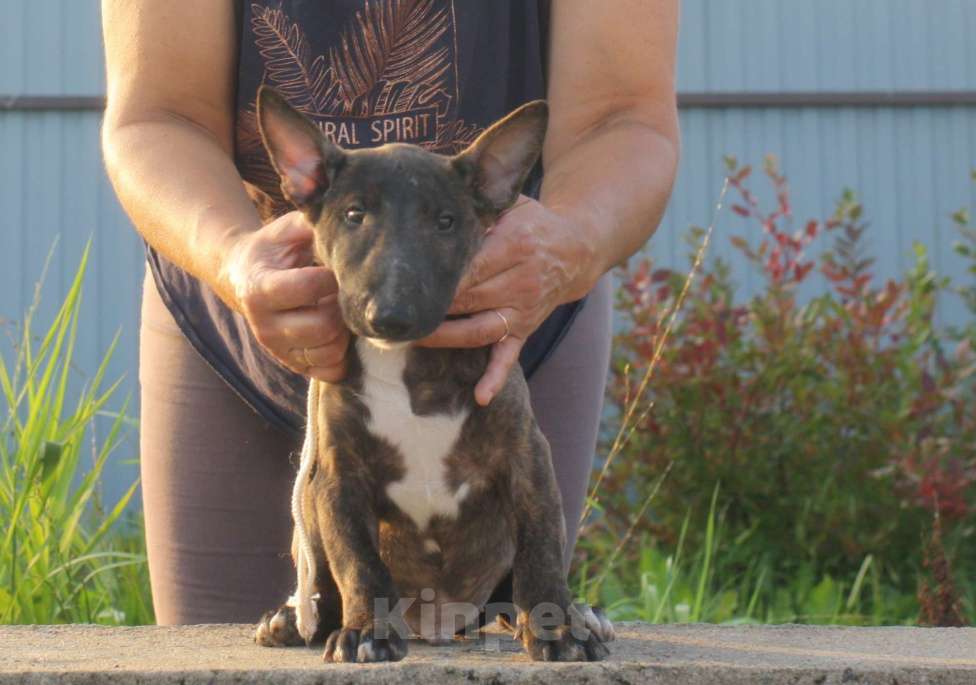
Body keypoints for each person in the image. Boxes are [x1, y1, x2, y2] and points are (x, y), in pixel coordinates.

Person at [101, 0, 679, 625]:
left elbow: (624, 116)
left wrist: (573, 242)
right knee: (216, 656)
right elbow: (158, 115)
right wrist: (233, 261)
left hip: (507, 313)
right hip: (239, 302)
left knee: (515, 642)